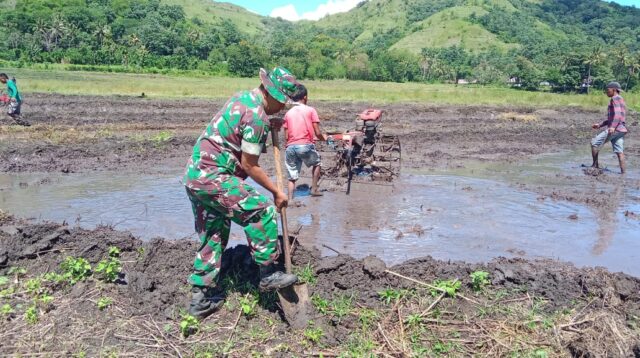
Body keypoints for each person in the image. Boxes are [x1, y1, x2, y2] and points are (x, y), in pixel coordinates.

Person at [183, 67, 299, 319]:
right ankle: (268, 274)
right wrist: (277, 192)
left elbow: (244, 129)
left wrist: (270, 125)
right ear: (274, 95)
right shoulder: (258, 117)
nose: (281, 108)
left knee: (212, 234)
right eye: (281, 104)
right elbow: (250, 165)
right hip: (215, 177)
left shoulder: (242, 99)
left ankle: (199, 299)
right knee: (262, 209)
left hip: (195, 176)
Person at [283, 84, 327, 199]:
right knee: (317, 163)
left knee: (292, 176)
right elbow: (317, 133)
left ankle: (290, 199)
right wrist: (324, 139)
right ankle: (314, 189)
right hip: (304, 146)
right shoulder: (311, 110)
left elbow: (286, 136)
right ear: (305, 97)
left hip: (290, 148)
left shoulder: (288, 114)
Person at [590, 81, 628, 174]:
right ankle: (623, 173)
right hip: (621, 130)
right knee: (620, 152)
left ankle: (595, 166)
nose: (606, 92)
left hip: (615, 129)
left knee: (594, 143)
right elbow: (614, 118)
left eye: (608, 90)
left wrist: (612, 127)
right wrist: (600, 125)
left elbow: (617, 115)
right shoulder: (621, 99)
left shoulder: (614, 99)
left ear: (614, 90)